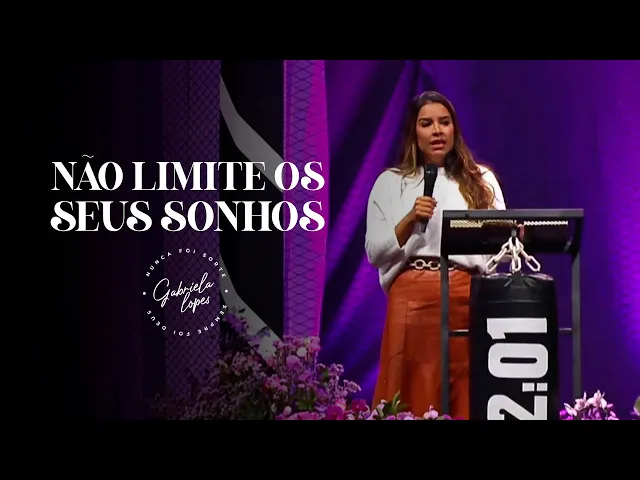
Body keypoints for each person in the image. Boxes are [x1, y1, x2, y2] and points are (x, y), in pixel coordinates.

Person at [365, 90, 506, 419]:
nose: (437, 131)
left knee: (464, 386)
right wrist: (409, 219)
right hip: (411, 299)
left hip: (465, 296)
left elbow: (499, 245)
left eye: (444, 122)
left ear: (455, 129)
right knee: (408, 389)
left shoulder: (482, 180)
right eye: (426, 124)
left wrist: (508, 237)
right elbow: (375, 252)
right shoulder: (390, 182)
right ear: (414, 132)